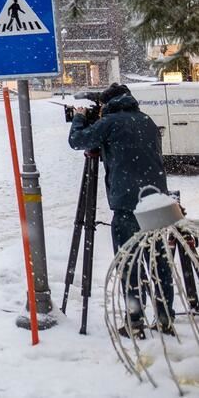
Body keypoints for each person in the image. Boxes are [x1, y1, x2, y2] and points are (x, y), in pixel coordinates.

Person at [69, 83, 173, 337]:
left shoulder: (110, 123)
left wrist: (81, 117)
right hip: (157, 201)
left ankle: (134, 320)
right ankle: (164, 317)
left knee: (130, 262)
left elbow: (77, 140)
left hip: (128, 205)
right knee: (159, 261)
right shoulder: (146, 121)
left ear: (107, 105)